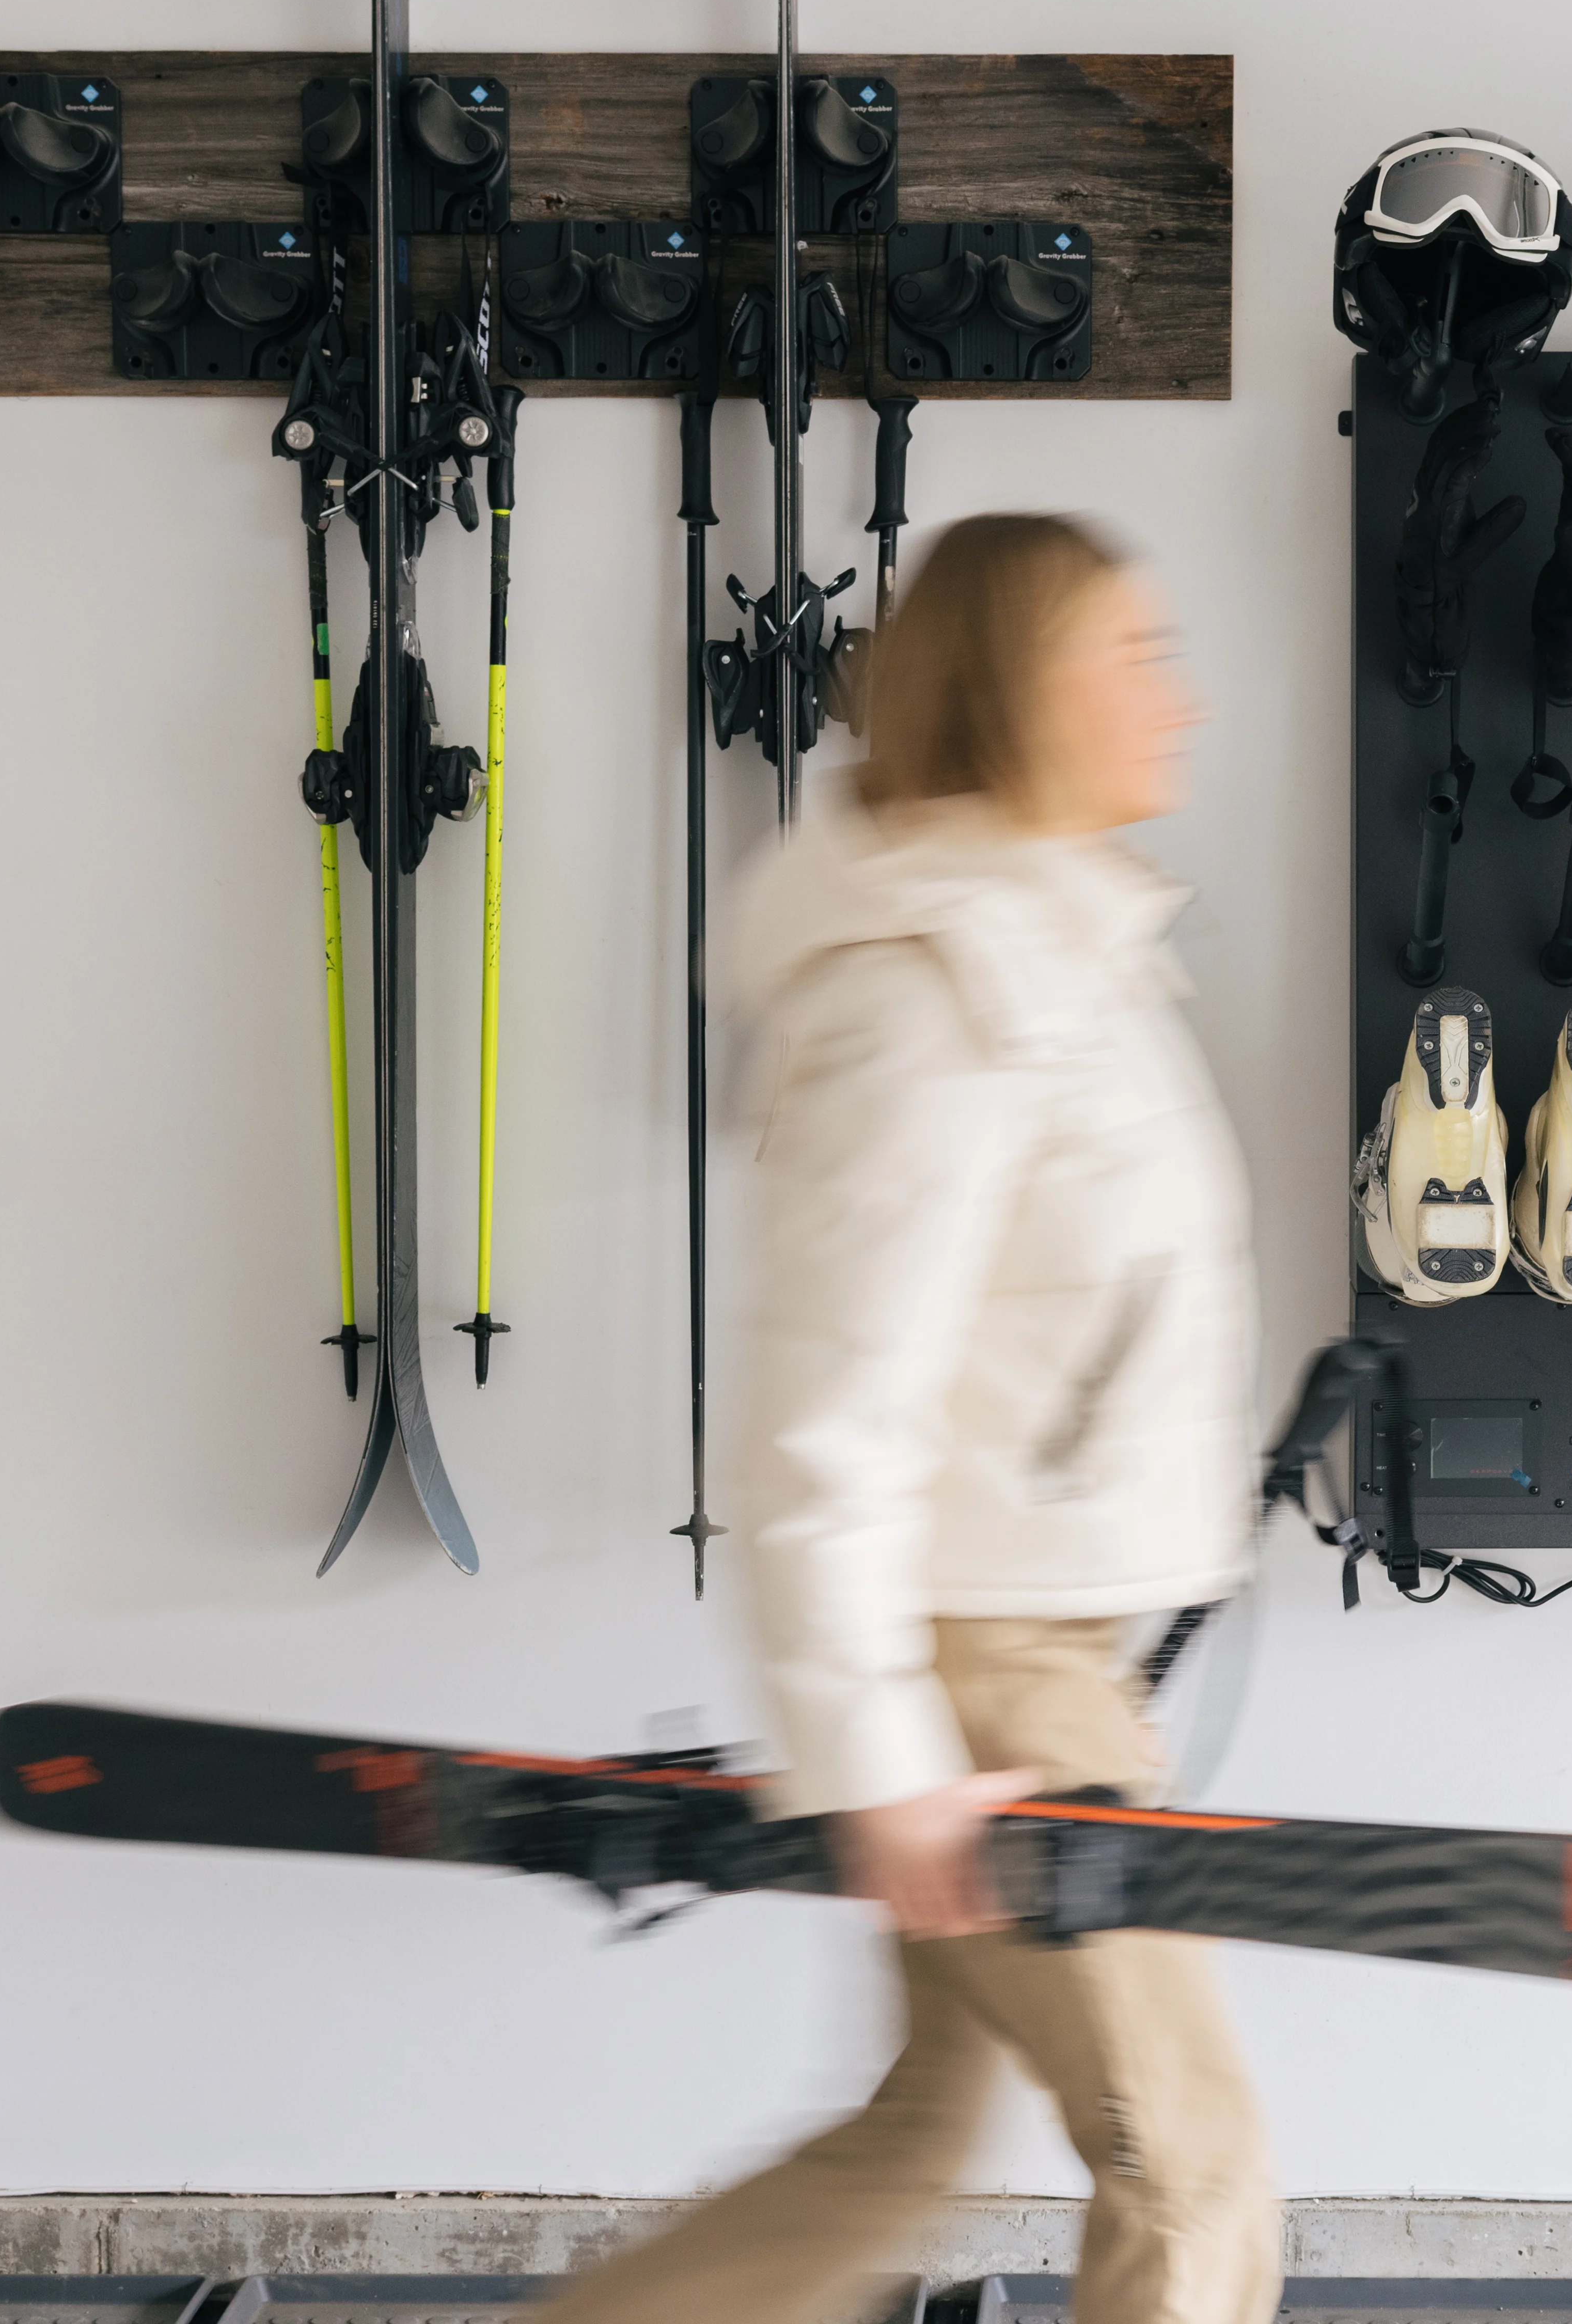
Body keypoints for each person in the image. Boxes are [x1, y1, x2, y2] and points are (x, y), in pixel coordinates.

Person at [539, 514, 1277, 2324]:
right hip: (982, 1663)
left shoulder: (1059, 954)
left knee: (913, 2131)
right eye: (1131, 655)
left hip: (1037, 1646)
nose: (1174, 696)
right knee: (1193, 2177)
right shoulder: (936, 987)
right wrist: (884, 1753)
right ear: (1018, 692)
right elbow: (823, 1413)